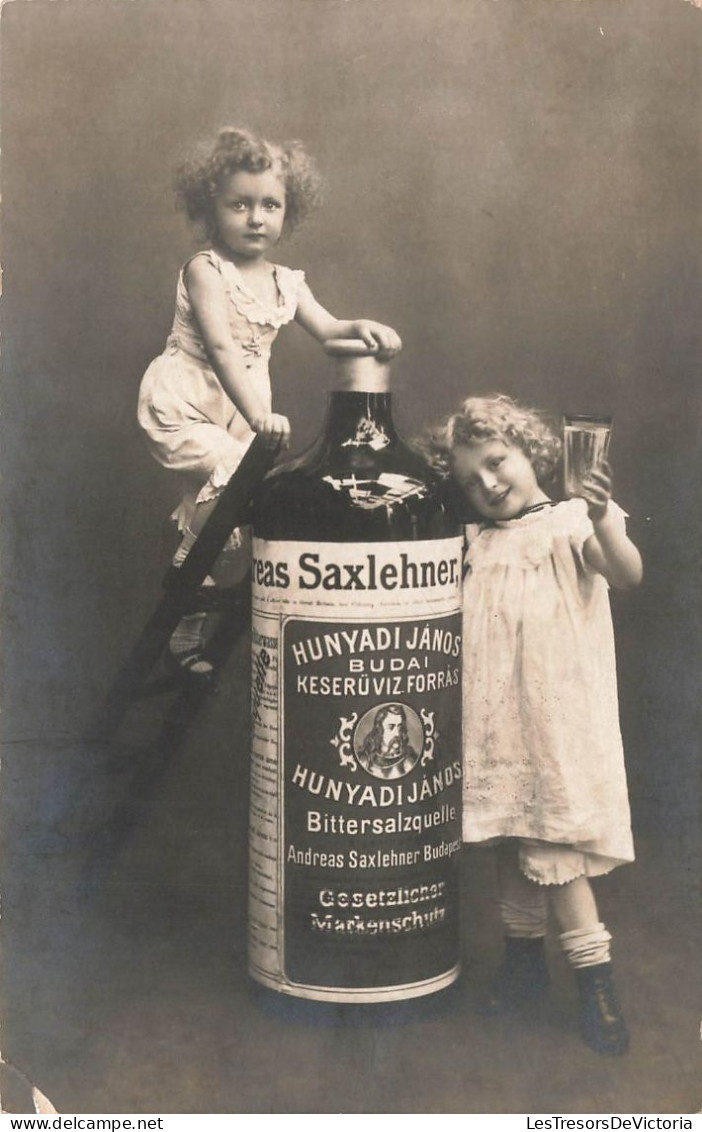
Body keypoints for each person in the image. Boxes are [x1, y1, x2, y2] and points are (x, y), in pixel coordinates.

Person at [138, 127, 401, 677]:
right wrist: (257, 413)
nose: (256, 217)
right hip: (187, 403)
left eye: (270, 205)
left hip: (242, 416)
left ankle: (189, 610)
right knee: (228, 487)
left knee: (231, 511)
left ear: (289, 210)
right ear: (211, 209)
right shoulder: (205, 270)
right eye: (240, 204)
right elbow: (222, 347)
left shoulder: (287, 281)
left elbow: (330, 331)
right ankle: (187, 566)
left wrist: (367, 329)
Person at [426, 394, 643, 1056]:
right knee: (508, 839)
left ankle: (594, 978)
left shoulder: (573, 521)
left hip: (555, 722)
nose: (488, 485)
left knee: (554, 851)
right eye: (470, 479)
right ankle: (522, 965)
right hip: (496, 723)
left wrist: (602, 516)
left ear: (530, 451)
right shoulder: (476, 542)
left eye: (496, 463)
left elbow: (627, 573)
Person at [356, 703, 420, 779]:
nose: (397, 733)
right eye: (391, 727)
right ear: (379, 730)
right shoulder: (365, 758)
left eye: (399, 727)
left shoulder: (409, 758)